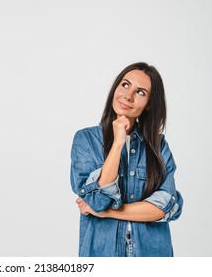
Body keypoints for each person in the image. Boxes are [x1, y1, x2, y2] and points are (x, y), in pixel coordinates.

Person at [70, 62, 183, 257]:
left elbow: (162, 207)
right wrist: (117, 144)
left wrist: (107, 212)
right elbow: (97, 200)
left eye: (140, 92)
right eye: (125, 85)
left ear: (148, 105)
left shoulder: (159, 146)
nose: (128, 96)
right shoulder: (86, 140)